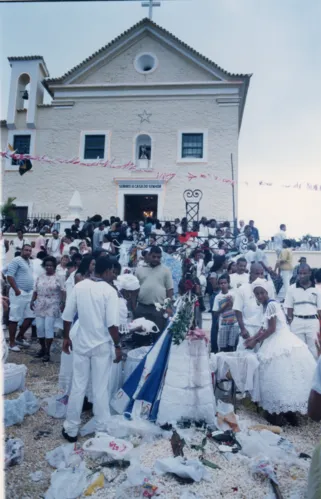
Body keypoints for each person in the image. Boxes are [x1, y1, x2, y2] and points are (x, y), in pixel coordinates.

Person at [61, 256, 121, 441]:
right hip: (102, 346)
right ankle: (102, 429)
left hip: (81, 344)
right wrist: (118, 345)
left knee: (78, 386)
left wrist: (65, 337)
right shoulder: (109, 291)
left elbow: (67, 316)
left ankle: (71, 429)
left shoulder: (80, 286)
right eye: (112, 271)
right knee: (100, 388)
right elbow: (112, 324)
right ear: (108, 271)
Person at [245, 278, 316, 426]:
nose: (260, 296)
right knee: (284, 376)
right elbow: (263, 328)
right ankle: (286, 413)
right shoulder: (267, 306)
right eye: (257, 294)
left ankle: (282, 413)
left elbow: (271, 329)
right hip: (277, 339)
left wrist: (256, 341)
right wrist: (253, 338)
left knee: (281, 374)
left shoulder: (271, 304)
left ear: (267, 292)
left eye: (262, 293)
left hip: (280, 341)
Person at [30, 256, 65, 362]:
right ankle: (42, 348)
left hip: (52, 305)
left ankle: (47, 352)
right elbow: (35, 290)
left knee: (48, 328)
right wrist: (32, 301)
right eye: (47, 265)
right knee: (40, 328)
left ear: (54, 266)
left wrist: (62, 303)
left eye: (51, 265)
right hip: (40, 305)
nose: (49, 267)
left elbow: (63, 291)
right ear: (44, 266)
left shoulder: (58, 278)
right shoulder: (40, 277)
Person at [233, 263, 275, 351]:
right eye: (257, 273)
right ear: (250, 274)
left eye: (262, 273)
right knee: (245, 355)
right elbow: (237, 310)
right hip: (248, 328)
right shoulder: (243, 288)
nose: (260, 276)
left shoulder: (268, 286)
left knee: (262, 355)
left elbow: (271, 307)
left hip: (263, 328)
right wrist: (243, 329)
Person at [284, 264, 321, 359]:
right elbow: (289, 307)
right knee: (298, 349)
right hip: (297, 321)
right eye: (300, 273)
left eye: (304, 273)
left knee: (314, 349)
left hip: (312, 322)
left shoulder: (317, 289)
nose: (302, 275)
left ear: (310, 273)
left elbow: (320, 310)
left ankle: (314, 372)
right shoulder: (291, 288)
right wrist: (291, 321)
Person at [135, 246, 174, 334]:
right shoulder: (139, 270)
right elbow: (134, 290)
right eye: (154, 256)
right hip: (142, 307)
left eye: (158, 257)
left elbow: (169, 290)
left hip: (158, 309)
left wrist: (168, 307)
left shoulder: (166, 270)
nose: (156, 259)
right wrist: (134, 307)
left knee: (157, 335)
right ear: (149, 255)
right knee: (140, 335)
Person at [6, 244, 35, 351]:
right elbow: (9, 276)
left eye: (30, 250)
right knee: (14, 318)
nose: (28, 252)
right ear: (22, 250)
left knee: (31, 316)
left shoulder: (30, 262)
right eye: (26, 250)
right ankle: (12, 343)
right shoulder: (16, 260)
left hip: (29, 293)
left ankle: (19, 337)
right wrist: (17, 290)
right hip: (18, 293)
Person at [213, 274, 239, 352]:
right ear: (219, 285)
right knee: (223, 347)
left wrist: (231, 303)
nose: (223, 285)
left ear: (228, 284)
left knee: (232, 346)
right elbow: (215, 313)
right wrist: (225, 306)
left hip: (234, 324)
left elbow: (237, 308)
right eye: (221, 283)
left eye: (225, 283)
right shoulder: (218, 297)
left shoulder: (233, 294)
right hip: (223, 324)